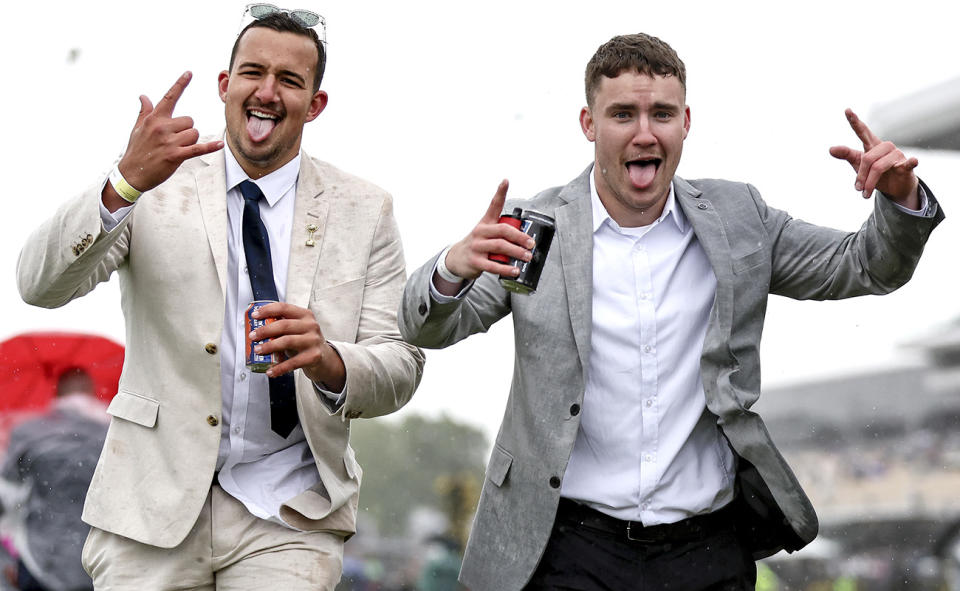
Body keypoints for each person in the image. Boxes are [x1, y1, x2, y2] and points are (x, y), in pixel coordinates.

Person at [398, 33, 943, 591]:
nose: (644, 133)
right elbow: (427, 327)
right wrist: (452, 269)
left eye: (661, 113)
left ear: (686, 121)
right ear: (589, 124)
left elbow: (867, 266)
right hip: (568, 545)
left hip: (706, 548)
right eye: (622, 114)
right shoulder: (538, 228)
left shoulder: (740, 219)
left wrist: (900, 200)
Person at [17, 6, 423, 590]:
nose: (267, 92)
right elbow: (39, 285)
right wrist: (123, 180)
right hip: (149, 507)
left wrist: (329, 358)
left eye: (290, 80)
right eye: (253, 72)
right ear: (224, 86)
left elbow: (400, 366)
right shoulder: (154, 184)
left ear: (315, 104)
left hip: (290, 514)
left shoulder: (366, 209)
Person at [0, 368, 108, 591]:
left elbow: (7, 497)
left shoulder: (29, 431)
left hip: (40, 559)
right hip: (98, 560)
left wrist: (11, 559)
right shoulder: (113, 432)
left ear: (57, 394)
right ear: (92, 391)